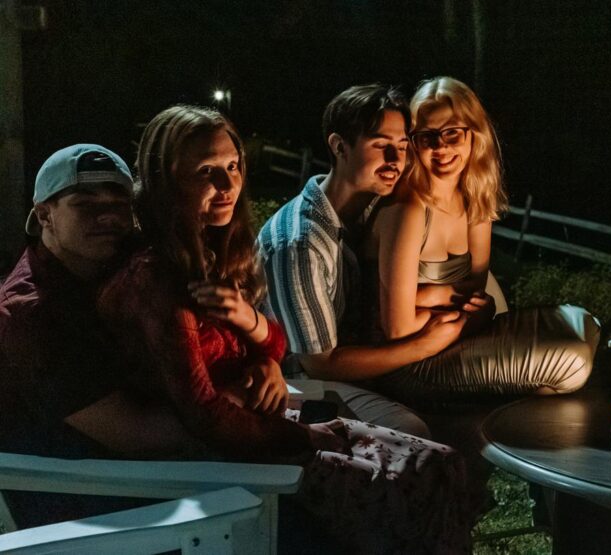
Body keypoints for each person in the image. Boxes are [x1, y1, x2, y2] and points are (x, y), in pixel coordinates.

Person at [100, 105, 474, 553]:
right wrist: (303, 436)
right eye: (206, 171)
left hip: (270, 424)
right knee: (412, 486)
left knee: (441, 464)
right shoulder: (157, 279)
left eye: (233, 166)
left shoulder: (209, 254)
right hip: (234, 459)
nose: (227, 186)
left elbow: (274, 344)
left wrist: (255, 336)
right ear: (165, 177)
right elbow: (203, 415)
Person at [366, 76, 599, 403]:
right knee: (572, 359)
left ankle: (501, 405)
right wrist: (448, 296)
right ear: (413, 143)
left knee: (583, 324)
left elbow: (476, 296)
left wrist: (431, 300)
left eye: (452, 133)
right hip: (408, 365)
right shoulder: (409, 211)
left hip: (454, 337)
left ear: (474, 135)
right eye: (427, 136)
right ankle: (498, 423)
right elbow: (398, 330)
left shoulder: (473, 198)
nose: (441, 147)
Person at [0, 144, 194, 526]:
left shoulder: (117, 270)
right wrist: (232, 412)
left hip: (149, 471)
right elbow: (134, 433)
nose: (107, 215)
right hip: (81, 502)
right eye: (85, 204)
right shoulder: (31, 311)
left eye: (119, 204)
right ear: (45, 215)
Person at [257, 84, 471, 418]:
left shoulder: (374, 210)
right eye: (380, 145)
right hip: (300, 386)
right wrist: (423, 345)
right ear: (339, 146)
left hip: (364, 357)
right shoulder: (300, 242)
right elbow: (322, 364)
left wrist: (439, 294)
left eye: (402, 146)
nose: (395, 159)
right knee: (411, 430)